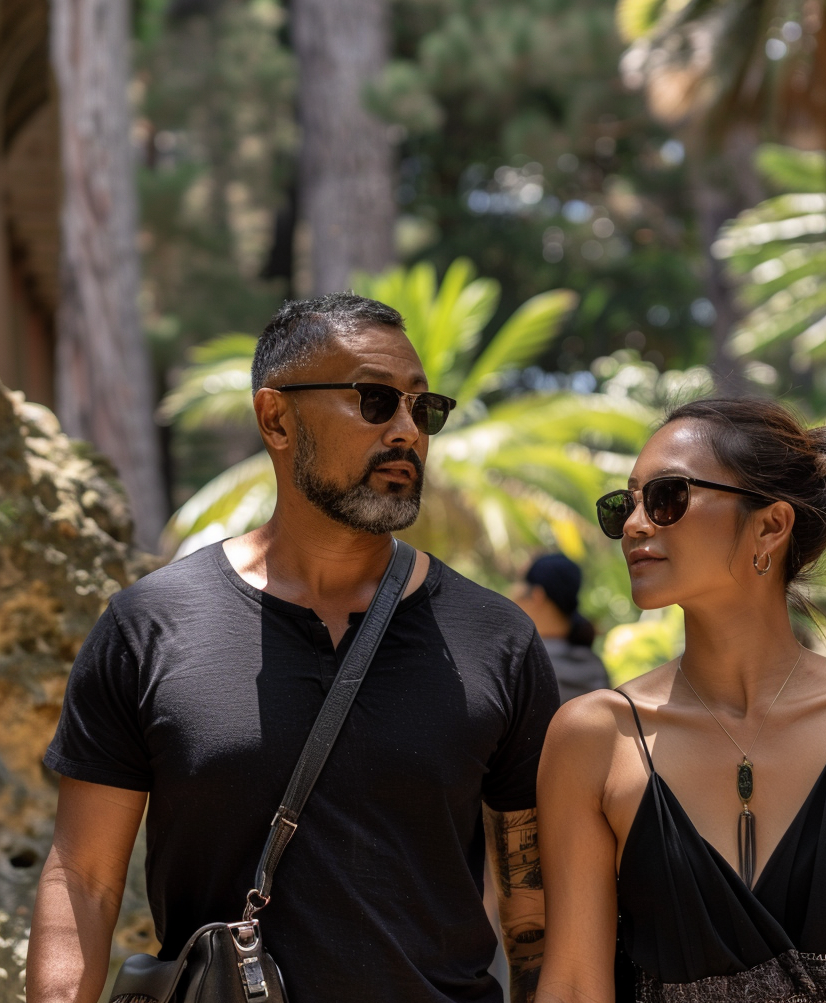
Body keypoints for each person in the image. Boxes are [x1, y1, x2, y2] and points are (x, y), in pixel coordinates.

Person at [27, 293, 560, 1003]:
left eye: (421, 408)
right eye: (375, 400)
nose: (407, 431)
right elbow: (84, 879)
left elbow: (535, 910)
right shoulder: (149, 626)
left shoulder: (497, 638)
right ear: (276, 418)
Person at [535, 398, 826, 1003]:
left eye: (666, 497)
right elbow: (574, 985)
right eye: (626, 504)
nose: (636, 524)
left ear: (770, 525)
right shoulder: (593, 737)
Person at [512, 553, 610, 703]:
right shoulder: (594, 665)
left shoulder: (526, 667)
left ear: (537, 595)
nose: (512, 593)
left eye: (520, 584)